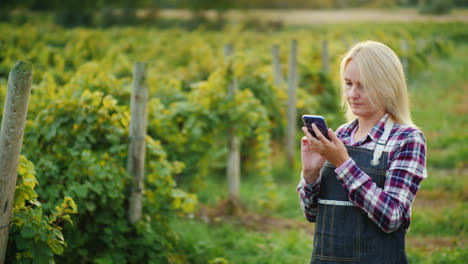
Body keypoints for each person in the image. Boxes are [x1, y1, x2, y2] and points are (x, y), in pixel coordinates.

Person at [297, 40, 427, 264]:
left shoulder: (406, 139)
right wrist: (309, 175)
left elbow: (392, 217)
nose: (353, 94)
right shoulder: (341, 135)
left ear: (387, 86)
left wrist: (343, 163)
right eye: (348, 83)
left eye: (363, 85)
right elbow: (313, 214)